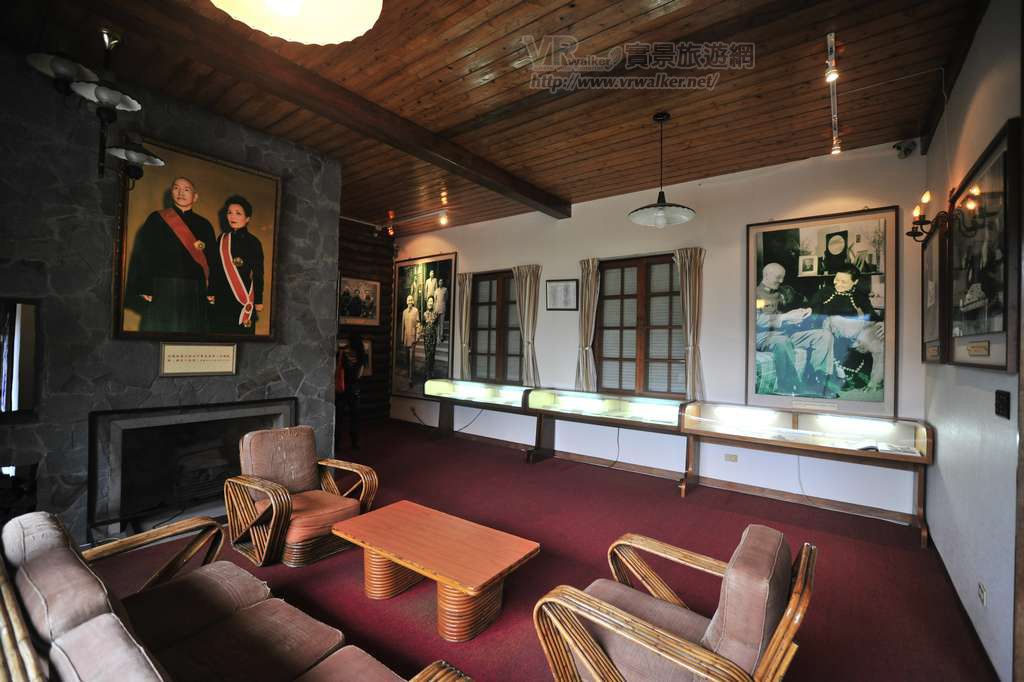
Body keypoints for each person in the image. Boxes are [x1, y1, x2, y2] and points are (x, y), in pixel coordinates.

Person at [124, 176, 216, 333]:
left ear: (195, 197)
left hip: (195, 289)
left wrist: (212, 289)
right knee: (161, 335)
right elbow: (144, 254)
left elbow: (213, 259)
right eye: (176, 188)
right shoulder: (156, 218)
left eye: (186, 189)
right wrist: (145, 287)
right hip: (163, 287)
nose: (181, 192)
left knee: (191, 337)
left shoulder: (205, 224)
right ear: (171, 193)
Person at [755, 262, 838, 396]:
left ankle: (819, 381)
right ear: (766, 275)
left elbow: (790, 311)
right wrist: (786, 317)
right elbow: (757, 320)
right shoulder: (754, 294)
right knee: (782, 341)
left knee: (824, 335)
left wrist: (802, 313)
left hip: (786, 334)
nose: (781, 281)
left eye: (783, 277)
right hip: (764, 337)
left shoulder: (781, 293)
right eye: (778, 277)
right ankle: (788, 386)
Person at [808, 265, 885, 390]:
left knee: (880, 338)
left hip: (853, 329)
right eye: (837, 279)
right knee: (833, 319)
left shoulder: (859, 295)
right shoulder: (824, 293)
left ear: (855, 282)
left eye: (843, 281)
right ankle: (833, 375)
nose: (838, 283)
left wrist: (883, 324)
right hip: (829, 327)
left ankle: (875, 382)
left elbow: (872, 316)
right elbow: (813, 315)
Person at [210, 195, 265, 334]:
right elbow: (215, 268)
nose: (232, 216)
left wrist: (258, 300)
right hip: (222, 296)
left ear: (247, 218)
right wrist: (211, 291)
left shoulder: (253, 242)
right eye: (229, 212)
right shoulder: (222, 239)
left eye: (238, 213)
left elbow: (258, 273)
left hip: (243, 297)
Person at [336, 335, 367, 450]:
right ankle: (355, 442)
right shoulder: (362, 356)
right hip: (354, 389)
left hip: (342, 388)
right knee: (355, 417)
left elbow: (337, 369)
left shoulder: (342, 353)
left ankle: (336, 444)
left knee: (339, 418)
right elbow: (359, 375)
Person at [401, 294, 420, 387]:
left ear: (413, 302)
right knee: (406, 358)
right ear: (406, 301)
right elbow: (403, 326)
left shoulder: (416, 311)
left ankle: (411, 379)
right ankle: (409, 372)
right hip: (406, 338)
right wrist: (402, 337)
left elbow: (418, 325)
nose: (410, 301)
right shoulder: (404, 312)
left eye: (411, 300)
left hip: (412, 339)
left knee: (411, 358)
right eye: (408, 300)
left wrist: (417, 336)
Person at [420, 295, 439, 380]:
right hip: (426, 337)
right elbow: (422, 325)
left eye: (432, 301)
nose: (430, 303)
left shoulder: (435, 314)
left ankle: (432, 371)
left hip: (433, 337)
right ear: (427, 303)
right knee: (427, 355)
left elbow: (436, 325)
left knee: (432, 354)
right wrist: (422, 332)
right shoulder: (424, 314)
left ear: (433, 303)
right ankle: (427, 372)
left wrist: (437, 336)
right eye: (429, 301)